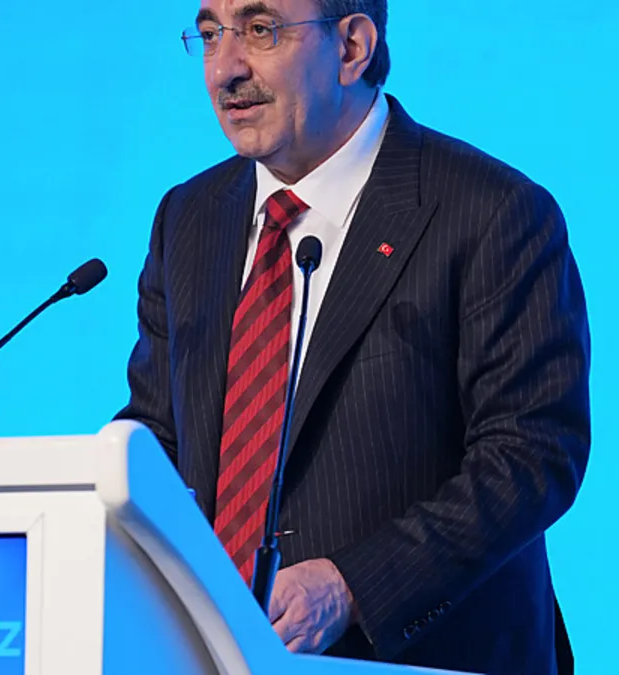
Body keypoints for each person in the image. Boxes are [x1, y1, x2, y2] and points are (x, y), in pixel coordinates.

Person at [113, 1, 590, 673]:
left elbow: (531, 454)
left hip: (419, 661)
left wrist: (352, 585)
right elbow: (158, 433)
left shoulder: (492, 212)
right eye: (212, 33)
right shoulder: (189, 218)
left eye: (260, 29)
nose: (225, 69)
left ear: (352, 48)